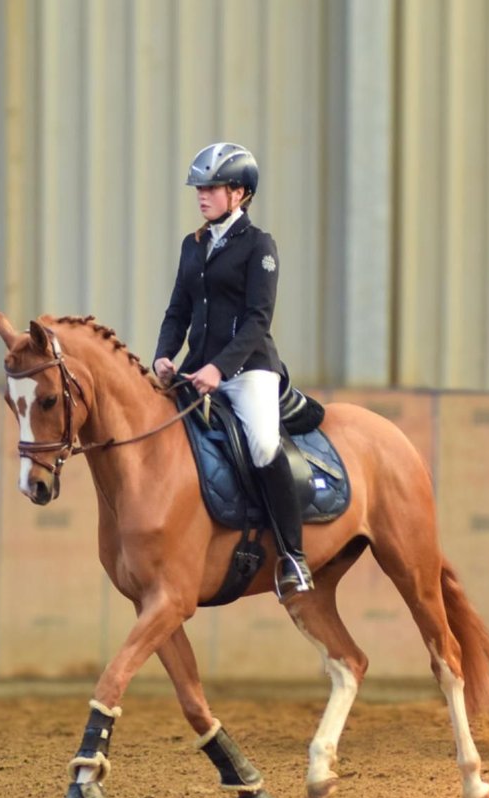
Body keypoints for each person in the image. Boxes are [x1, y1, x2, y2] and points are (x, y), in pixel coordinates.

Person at [152, 142, 313, 597]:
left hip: (248, 370)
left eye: (212, 188)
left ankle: (294, 558)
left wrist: (220, 371)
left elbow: (259, 318)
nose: (202, 195)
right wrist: (163, 356)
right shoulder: (193, 244)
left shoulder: (259, 246)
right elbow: (176, 312)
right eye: (199, 188)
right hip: (196, 369)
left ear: (239, 193)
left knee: (263, 444)